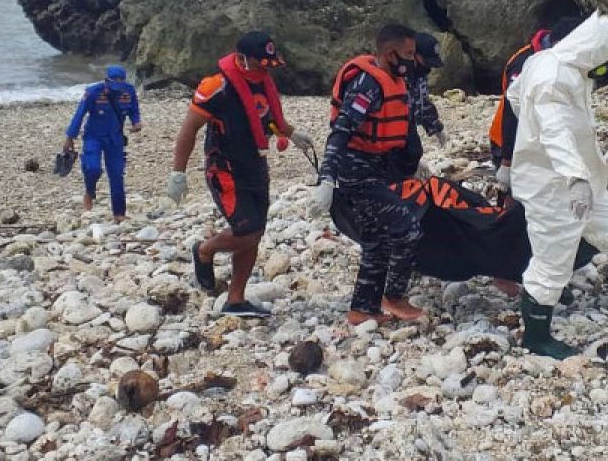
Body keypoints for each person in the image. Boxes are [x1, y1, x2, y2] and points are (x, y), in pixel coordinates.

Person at [507, 12, 608, 359]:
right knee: (550, 267)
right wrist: (574, 175)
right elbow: (555, 131)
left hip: (580, 176)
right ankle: (536, 337)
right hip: (551, 184)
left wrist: (528, 131)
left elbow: (514, 95)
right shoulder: (553, 76)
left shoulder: (548, 62)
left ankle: (554, 267)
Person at [166, 31, 312, 318]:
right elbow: (189, 130)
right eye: (260, 64)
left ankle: (236, 299)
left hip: (255, 165)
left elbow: (267, 119)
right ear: (244, 59)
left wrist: (292, 134)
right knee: (248, 229)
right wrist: (178, 173)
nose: (265, 70)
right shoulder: (216, 87)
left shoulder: (262, 83)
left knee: (255, 234)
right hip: (226, 169)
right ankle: (204, 250)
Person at [314, 23, 426, 326]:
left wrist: (414, 163)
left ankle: (362, 309)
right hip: (356, 172)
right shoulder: (368, 85)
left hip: (378, 166)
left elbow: (403, 125)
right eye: (408, 54)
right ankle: (394, 296)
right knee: (408, 229)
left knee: (376, 241)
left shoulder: (395, 79)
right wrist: (327, 179)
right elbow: (340, 132)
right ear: (391, 54)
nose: (413, 60)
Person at [488, 17, 583, 194]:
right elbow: (512, 112)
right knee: (517, 198)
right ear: (560, 43)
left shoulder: (562, 60)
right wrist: (507, 161)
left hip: (539, 140)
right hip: (509, 139)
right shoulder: (523, 62)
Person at [64, 65, 141, 223]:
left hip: (115, 138)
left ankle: (119, 213)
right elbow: (80, 113)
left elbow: (134, 109)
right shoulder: (93, 92)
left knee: (117, 176)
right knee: (93, 168)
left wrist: (136, 122)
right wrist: (70, 136)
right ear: (107, 80)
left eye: (121, 82)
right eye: (115, 82)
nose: (118, 86)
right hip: (94, 136)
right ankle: (89, 192)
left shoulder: (129, 91)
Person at [392, 31, 448, 179]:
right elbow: (394, 119)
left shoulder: (420, 74)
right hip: (394, 134)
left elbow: (423, 102)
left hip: (409, 129)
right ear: (413, 54)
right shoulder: (397, 75)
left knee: (414, 151)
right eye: (426, 60)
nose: (429, 67)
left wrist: (436, 127)